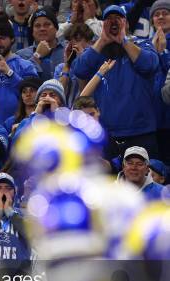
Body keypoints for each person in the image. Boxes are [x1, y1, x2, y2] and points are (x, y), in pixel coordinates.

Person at [72, 5, 159, 160]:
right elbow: (79, 70)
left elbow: (150, 65)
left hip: (140, 132)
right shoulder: (96, 50)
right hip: (105, 132)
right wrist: (102, 40)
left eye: (117, 19)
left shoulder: (142, 44)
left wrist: (123, 40)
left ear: (126, 23)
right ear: (103, 24)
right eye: (108, 20)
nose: (113, 23)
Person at [16, 7, 66, 81]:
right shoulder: (21, 56)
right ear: (32, 32)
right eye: (37, 26)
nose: (42, 29)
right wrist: (37, 56)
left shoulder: (67, 50)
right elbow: (20, 82)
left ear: (56, 28)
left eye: (47, 24)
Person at [55, 22, 94, 108]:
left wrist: (81, 60)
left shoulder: (95, 66)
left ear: (90, 43)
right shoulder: (61, 68)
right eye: (69, 41)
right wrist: (67, 65)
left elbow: (84, 97)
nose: (73, 45)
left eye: (78, 40)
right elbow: (58, 96)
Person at [150, 0, 170, 164]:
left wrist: (162, 52)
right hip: (151, 115)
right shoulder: (144, 45)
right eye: (156, 14)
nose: (161, 17)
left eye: (165, 13)